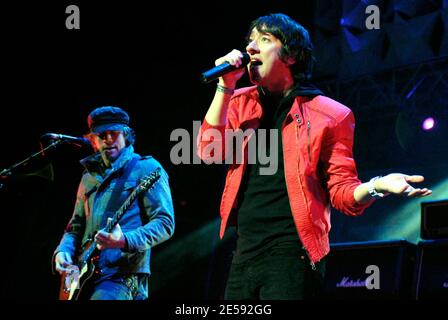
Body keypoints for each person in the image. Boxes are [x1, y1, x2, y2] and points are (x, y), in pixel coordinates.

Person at [196, 13, 432, 299]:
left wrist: (376, 186)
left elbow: (343, 194)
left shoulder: (330, 115)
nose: (251, 47)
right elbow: (208, 152)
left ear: (292, 55)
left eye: (265, 39)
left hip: (292, 257)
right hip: (243, 254)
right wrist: (225, 85)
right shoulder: (238, 102)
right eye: (250, 40)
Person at [53, 106, 175, 300]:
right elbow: (75, 226)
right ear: (92, 140)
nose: (108, 139)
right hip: (83, 275)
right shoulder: (88, 177)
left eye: (114, 133)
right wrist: (63, 251)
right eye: (101, 134)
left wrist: (124, 240)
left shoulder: (147, 168)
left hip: (123, 274)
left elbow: (165, 223)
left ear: (126, 135)